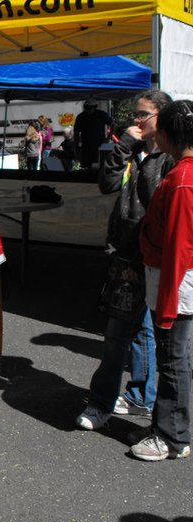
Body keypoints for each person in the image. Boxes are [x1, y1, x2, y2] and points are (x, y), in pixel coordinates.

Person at [76, 90, 174, 431]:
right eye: (134, 114)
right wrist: (124, 148)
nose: (136, 120)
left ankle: (112, 402)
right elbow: (106, 184)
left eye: (143, 114)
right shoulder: (132, 150)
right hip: (126, 253)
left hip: (152, 255)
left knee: (132, 333)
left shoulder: (170, 158)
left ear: (162, 116)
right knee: (127, 331)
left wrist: (141, 153)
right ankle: (128, 398)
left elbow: (154, 200)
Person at [131, 99, 193, 461]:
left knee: (172, 359)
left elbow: (179, 248)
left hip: (175, 283)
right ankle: (167, 428)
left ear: (167, 135)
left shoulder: (182, 179)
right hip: (173, 280)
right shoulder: (181, 172)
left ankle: (172, 436)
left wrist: (167, 305)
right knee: (174, 357)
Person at [74, 98, 113, 168]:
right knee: (87, 167)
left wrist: (108, 138)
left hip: (100, 147)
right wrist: (76, 147)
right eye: (86, 108)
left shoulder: (101, 114)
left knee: (99, 167)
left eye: (89, 108)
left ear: (94, 107)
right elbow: (76, 133)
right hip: (86, 148)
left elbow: (113, 125)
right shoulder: (81, 117)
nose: (87, 110)